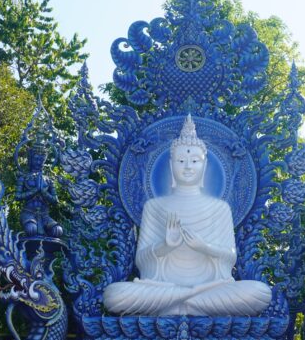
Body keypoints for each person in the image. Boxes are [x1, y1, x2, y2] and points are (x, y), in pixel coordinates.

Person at [103, 115, 271, 316]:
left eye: (194, 161)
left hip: (208, 289)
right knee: (114, 295)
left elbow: (230, 258)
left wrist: (205, 247)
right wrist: (166, 246)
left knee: (260, 293)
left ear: (204, 165)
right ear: (171, 165)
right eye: (181, 160)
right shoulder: (154, 207)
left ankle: (176, 305)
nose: (188, 167)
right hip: (163, 290)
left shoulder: (220, 208)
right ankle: (192, 303)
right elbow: (142, 261)